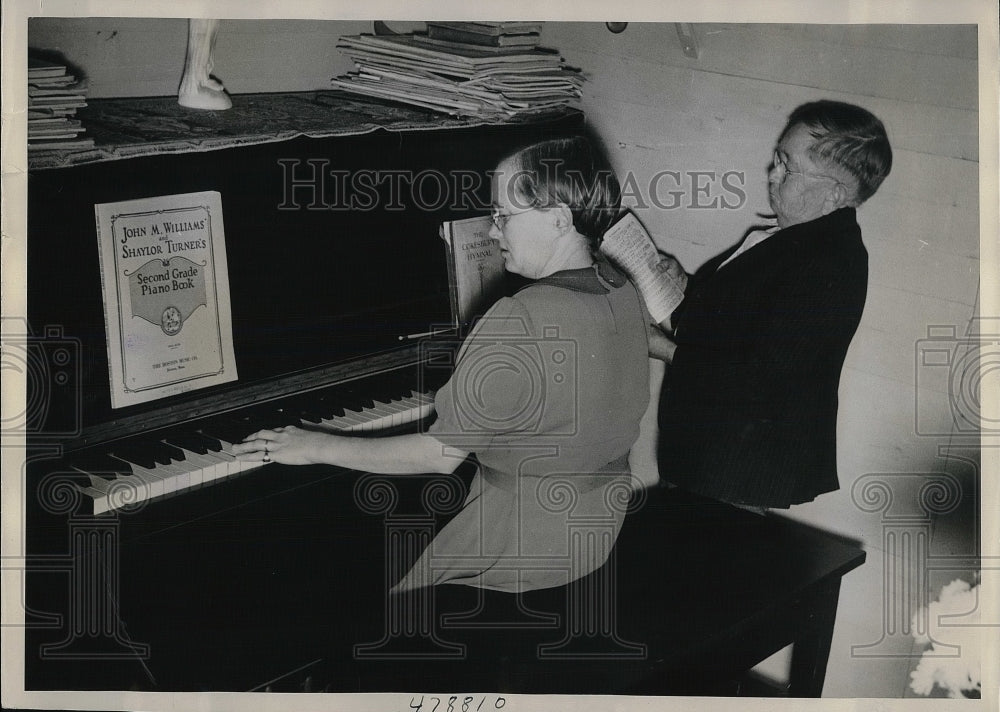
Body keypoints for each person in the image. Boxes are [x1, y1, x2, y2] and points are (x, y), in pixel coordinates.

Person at [235, 136, 651, 592]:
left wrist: (314, 445)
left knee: (363, 588)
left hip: (518, 547)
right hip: (594, 532)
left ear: (558, 219)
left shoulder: (521, 317)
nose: (493, 232)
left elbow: (439, 457)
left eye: (502, 216)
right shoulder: (621, 287)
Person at [650, 100, 892, 509]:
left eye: (787, 166)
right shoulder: (794, 238)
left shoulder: (831, 262)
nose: (772, 173)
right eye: (776, 159)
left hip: (736, 473)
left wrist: (664, 350)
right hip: (711, 459)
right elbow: (743, 323)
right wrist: (686, 286)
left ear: (834, 194)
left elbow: (763, 381)